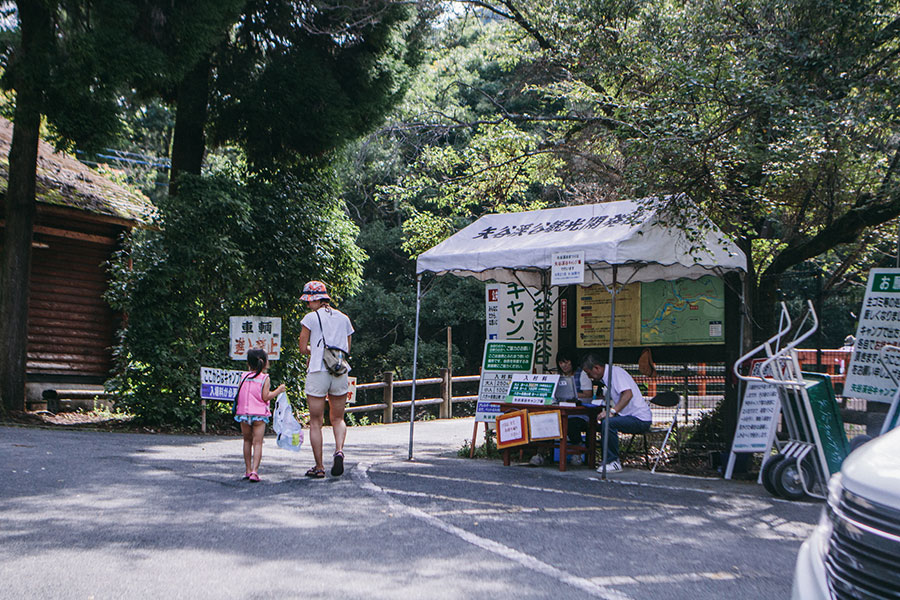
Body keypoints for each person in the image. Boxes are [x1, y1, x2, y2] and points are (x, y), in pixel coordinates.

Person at [298, 281, 354, 478]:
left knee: (315, 421)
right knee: (338, 418)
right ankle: (339, 450)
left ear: (314, 299)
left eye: (308, 301)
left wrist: (315, 353)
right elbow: (347, 348)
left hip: (318, 371)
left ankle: (319, 467)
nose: (307, 305)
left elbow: (303, 346)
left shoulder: (310, 318)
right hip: (339, 371)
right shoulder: (343, 318)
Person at [582, 353, 652, 472]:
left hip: (639, 418)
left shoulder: (615, 373)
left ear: (597, 368)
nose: (589, 377)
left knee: (609, 423)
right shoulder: (608, 376)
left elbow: (628, 394)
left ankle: (613, 461)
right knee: (599, 423)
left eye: (589, 373)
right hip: (628, 415)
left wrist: (613, 411)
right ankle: (597, 459)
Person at [531, 350, 593, 466]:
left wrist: (572, 395)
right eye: (561, 363)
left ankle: (577, 452)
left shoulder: (582, 374)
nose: (564, 365)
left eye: (566, 362)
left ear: (573, 362)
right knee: (546, 420)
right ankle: (541, 453)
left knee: (571, 423)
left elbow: (588, 394)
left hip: (579, 412)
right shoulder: (558, 377)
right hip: (561, 411)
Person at [235, 347, 286, 482]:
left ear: (248, 363)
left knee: (247, 441)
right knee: (257, 443)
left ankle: (247, 469)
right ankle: (254, 471)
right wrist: (279, 390)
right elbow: (265, 397)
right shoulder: (265, 378)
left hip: (244, 414)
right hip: (259, 415)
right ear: (264, 363)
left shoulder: (243, 376)